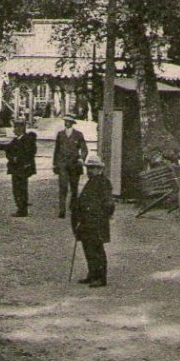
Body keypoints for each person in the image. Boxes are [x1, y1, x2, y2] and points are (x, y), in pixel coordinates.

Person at [71, 156, 115, 287]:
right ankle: (92, 274)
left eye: (92, 168)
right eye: (88, 168)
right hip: (86, 222)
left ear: (100, 169)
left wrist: (101, 217)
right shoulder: (91, 181)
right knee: (88, 249)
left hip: (96, 222)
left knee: (96, 250)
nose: (89, 170)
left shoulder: (103, 182)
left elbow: (108, 204)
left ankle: (100, 278)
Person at [0, 122, 37, 217]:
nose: (14, 130)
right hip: (16, 168)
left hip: (22, 168)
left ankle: (22, 209)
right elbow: (6, 148)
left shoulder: (27, 139)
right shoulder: (16, 139)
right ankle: (21, 208)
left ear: (21, 128)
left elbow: (30, 152)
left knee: (20, 188)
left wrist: (17, 158)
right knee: (18, 188)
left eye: (15, 127)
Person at [53, 115, 88, 219]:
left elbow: (84, 149)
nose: (66, 123)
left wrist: (81, 159)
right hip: (63, 165)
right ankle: (62, 210)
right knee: (63, 187)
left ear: (72, 123)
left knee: (74, 187)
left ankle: (73, 207)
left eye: (68, 121)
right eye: (65, 121)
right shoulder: (60, 134)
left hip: (74, 165)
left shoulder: (78, 134)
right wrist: (55, 164)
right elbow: (57, 150)